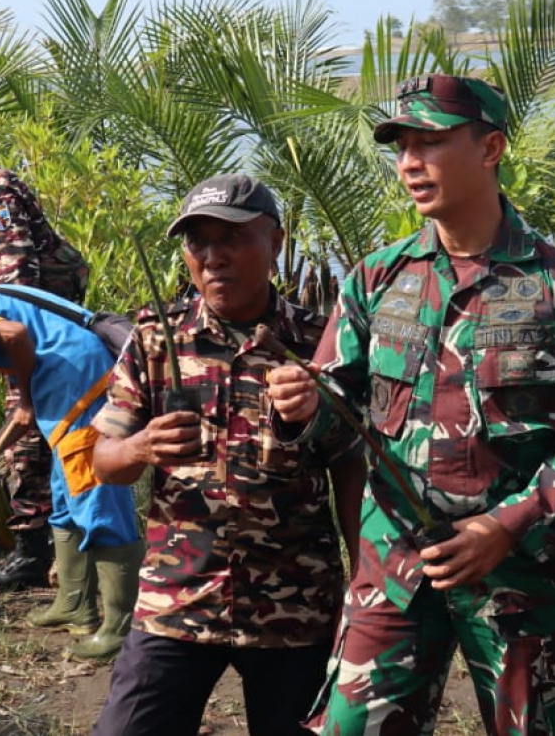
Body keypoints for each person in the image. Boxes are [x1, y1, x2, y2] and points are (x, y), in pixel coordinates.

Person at [268, 74, 555, 736]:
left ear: (490, 147)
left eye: (431, 142)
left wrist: (505, 526)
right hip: (396, 562)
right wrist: (301, 405)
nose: (410, 161)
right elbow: (336, 409)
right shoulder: (378, 279)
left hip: (517, 571)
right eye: (402, 145)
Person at [89, 174, 366, 736]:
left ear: (276, 242)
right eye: (198, 243)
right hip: (177, 600)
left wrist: (364, 584)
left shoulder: (322, 341)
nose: (213, 257)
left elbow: (353, 466)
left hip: (294, 607)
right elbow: (104, 462)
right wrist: (142, 446)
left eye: (232, 238)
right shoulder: (153, 337)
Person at [0, 284, 141, 659]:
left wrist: (27, 400)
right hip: (68, 373)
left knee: (95, 495)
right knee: (65, 496)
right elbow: (22, 395)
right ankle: (75, 605)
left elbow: (15, 337)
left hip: (76, 374)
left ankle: (122, 630)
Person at [0, 142, 90, 591]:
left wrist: (21, 389)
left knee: (31, 431)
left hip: (42, 332)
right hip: (29, 328)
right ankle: (50, 554)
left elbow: (15, 288)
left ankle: (33, 555)